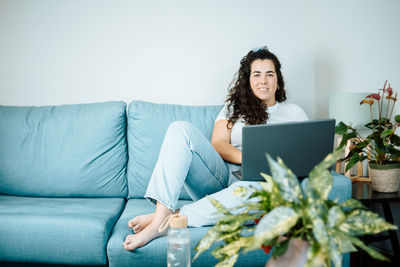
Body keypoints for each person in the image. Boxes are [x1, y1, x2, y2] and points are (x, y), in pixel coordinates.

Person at [123, 46, 309, 251]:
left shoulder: (294, 112)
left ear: (277, 80)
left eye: (269, 74)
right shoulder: (234, 108)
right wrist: (250, 158)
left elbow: (305, 154)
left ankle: (169, 219)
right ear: (249, 80)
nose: (263, 81)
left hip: (262, 184)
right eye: (256, 74)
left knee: (261, 195)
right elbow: (219, 144)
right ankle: (161, 217)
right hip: (223, 176)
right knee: (180, 129)